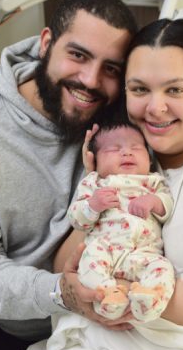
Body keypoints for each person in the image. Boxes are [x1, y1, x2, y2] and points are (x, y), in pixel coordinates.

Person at [0, 18, 183, 350]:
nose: (155, 108)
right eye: (140, 89)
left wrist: (130, 303)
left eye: (175, 90)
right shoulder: (131, 152)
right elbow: (66, 266)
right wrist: (96, 180)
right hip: (95, 344)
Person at [0, 0, 137, 350]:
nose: (90, 81)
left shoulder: (117, 118)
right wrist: (61, 293)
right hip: (11, 331)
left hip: (103, 327)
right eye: (78, 55)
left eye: (110, 69)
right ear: (46, 43)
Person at [68, 120, 174, 322]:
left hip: (144, 253)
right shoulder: (94, 182)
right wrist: (93, 205)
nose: (127, 152)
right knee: (89, 260)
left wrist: (154, 201)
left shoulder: (153, 182)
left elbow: (167, 206)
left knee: (162, 267)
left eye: (136, 147)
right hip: (106, 248)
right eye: (113, 149)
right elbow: (76, 218)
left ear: (149, 159)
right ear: (95, 162)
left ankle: (150, 298)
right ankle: (108, 295)